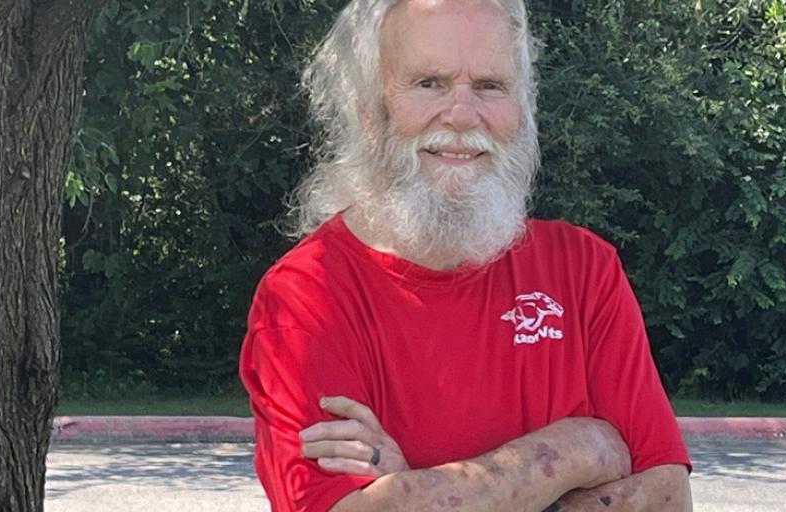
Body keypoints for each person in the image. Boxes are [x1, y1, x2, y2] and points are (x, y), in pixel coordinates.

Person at [238, 0, 693, 510]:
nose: (461, 115)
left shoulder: (584, 269)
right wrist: (580, 448)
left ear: (521, 109)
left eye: (489, 86)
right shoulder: (305, 297)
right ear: (367, 110)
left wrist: (413, 488)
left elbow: (666, 498)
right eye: (428, 82)